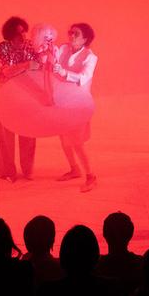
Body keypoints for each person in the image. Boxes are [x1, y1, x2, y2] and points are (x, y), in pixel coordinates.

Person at [51, 22, 99, 192]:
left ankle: (90, 175)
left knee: (77, 142)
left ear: (85, 39)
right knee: (63, 138)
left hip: (79, 104)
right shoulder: (63, 49)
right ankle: (74, 169)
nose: (71, 36)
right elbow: (51, 60)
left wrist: (64, 73)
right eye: (70, 32)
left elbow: (84, 77)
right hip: (61, 102)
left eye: (76, 34)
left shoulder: (90, 57)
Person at [0, 16, 38, 181]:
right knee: (6, 134)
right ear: (10, 34)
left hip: (27, 94)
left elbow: (38, 67)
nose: (23, 36)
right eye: (19, 33)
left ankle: (28, 170)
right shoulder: (1, 48)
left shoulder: (30, 46)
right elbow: (6, 72)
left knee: (28, 131)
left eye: (24, 32)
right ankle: (7, 171)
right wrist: (26, 66)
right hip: (7, 95)